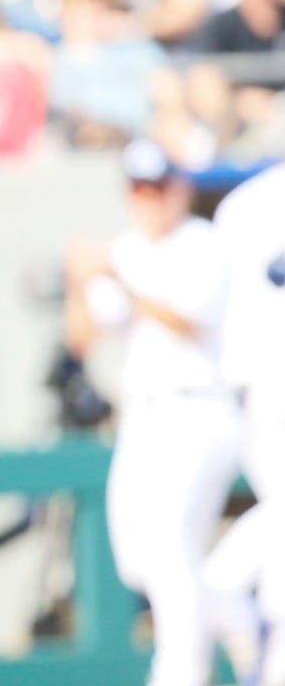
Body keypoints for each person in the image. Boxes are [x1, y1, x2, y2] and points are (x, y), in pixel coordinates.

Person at [62, 139, 254, 686]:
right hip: (143, 418)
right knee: (138, 563)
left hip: (198, 411)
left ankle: (180, 675)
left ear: (180, 189)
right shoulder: (126, 250)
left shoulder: (204, 244)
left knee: (171, 552)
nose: (149, 200)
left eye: (159, 187)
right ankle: (239, 616)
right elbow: (83, 340)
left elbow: (189, 321)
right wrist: (80, 282)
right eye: (139, 189)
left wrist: (114, 275)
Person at [203, 159, 285, 685]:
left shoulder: (243, 203)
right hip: (265, 384)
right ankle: (216, 591)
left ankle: (219, 592)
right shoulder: (251, 203)